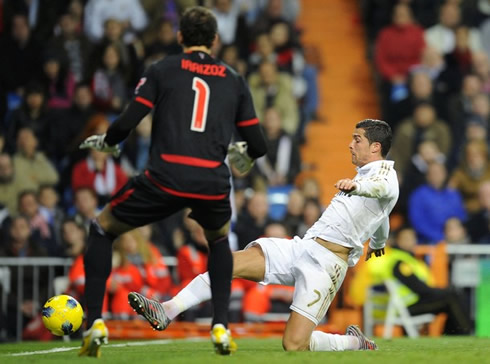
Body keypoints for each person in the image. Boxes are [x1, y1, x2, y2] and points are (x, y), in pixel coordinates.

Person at [77, 6, 267, 357]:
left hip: (166, 175)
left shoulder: (163, 70)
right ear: (215, 40)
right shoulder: (234, 79)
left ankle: (94, 322)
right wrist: (245, 154)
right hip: (211, 179)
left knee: (102, 229)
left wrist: (108, 141)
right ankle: (221, 326)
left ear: (180, 37)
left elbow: (128, 120)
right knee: (219, 241)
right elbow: (258, 145)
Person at [129, 119, 399, 352]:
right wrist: (378, 242)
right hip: (303, 248)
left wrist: (357, 186)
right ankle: (168, 310)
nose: (351, 145)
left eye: (357, 139)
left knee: (294, 344)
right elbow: (382, 214)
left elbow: (380, 189)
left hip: (326, 266)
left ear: (375, 146)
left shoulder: (383, 174)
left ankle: (353, 343)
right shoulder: (364, 176)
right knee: (228, 262)